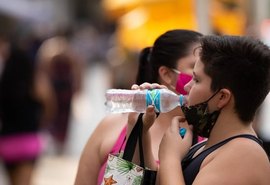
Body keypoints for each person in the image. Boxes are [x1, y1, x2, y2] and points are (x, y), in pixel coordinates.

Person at [136, 35, 270, 184]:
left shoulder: (245, 155)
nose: (187, 86)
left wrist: (170, 158)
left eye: (196, 80)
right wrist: (142, 130)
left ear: (222, 97)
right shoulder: (209, 144)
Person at [74, 29, 203, 185]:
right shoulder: (111, 127)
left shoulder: (208, 138)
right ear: (167, 74)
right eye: (195, 67)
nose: (203, 74)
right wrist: (136, 131)